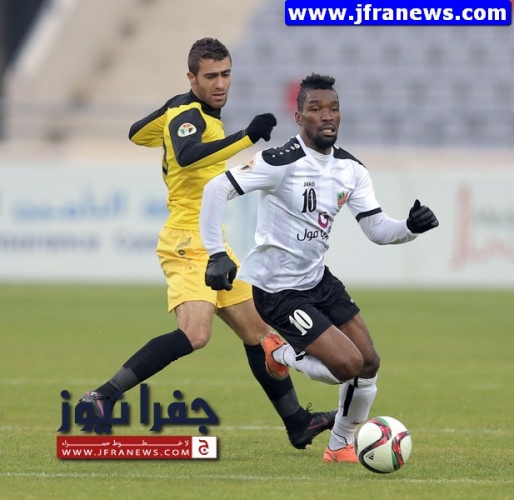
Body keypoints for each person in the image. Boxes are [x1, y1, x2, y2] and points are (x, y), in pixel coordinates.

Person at [78, 40, 336, 449]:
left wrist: (172, 112)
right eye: (210, 76)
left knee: (260, 335)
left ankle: (297, 422)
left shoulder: (183, 111)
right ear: (192, 77)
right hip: (186, 239)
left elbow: (136, 134)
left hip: (213, 242)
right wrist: (246, 137)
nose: (220, 84)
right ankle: (102, 396)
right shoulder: (189, 114)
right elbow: (187, 156)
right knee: (195, 335)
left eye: (225, 74)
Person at [199, 73, 439, 462]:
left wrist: (410, 227)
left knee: (369, 362)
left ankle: (340, 445)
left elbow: (377, 229)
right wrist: (215, 252)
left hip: (317, 279)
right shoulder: (280, 161)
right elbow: (216, 188)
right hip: (277, 289)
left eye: (333, 108)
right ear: (299, 117)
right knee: (348, 365)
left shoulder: (351, 169)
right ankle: (278, 354)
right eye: (315, 108)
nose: (327, 116)